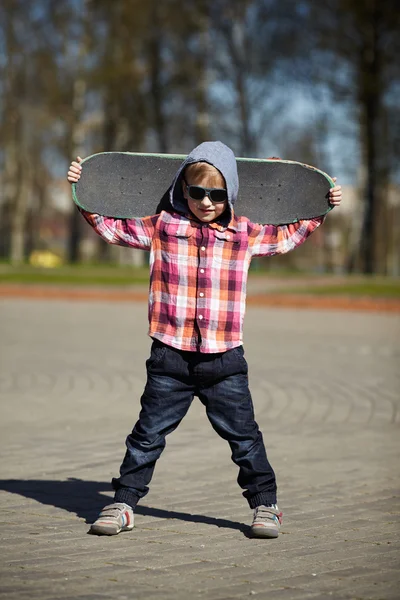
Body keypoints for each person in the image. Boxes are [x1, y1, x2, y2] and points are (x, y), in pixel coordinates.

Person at [67, 141, 342, 538]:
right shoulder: (163, 226)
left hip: (224, 360)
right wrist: (83, 190)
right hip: (170, 358)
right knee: (146, 436)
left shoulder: (245, 233)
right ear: (184, 190)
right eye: (197, 193)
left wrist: (321, 204)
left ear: (229, 193)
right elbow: (112, 228)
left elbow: (288, 236)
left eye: (216, 194)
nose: (206, 202)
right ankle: (123, 503)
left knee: (244, 439)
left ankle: (266, 507)